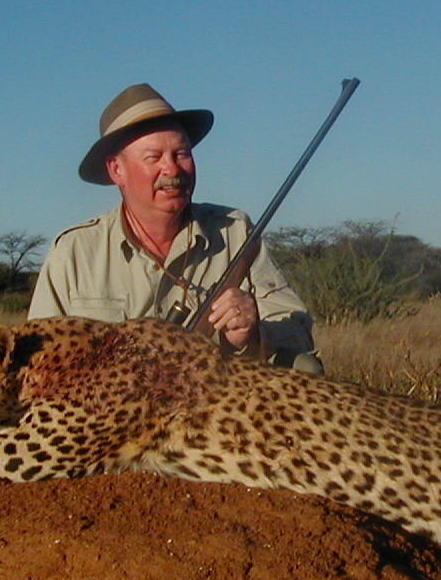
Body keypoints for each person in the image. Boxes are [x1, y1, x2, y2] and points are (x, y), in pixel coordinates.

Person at [29, 83, 320, 371]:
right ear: (116, 169)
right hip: (113, 410)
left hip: (212, 399)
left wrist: (251, 334)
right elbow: (36, 359)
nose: (172, 169)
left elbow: (297, 331)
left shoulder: (236, 231)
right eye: (153, 157)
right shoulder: (74, 251)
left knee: (307, 369)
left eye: (181, 154)